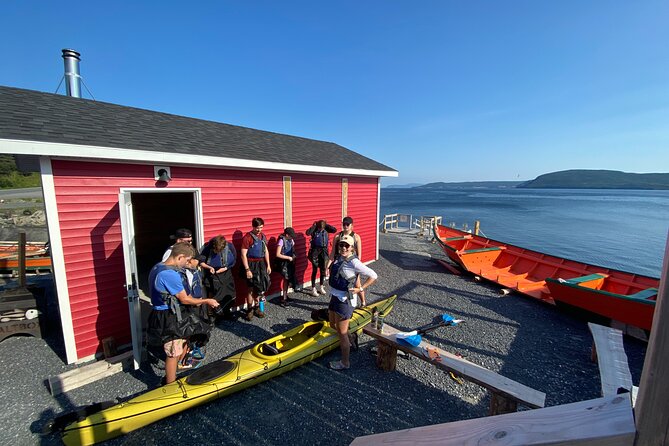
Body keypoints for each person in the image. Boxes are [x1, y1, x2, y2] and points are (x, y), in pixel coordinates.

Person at [147, 242, 219, 384]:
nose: (187, 264)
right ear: (179, 257)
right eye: (186, 260)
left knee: (176, 346)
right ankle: (170, 384)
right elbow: (184, 299)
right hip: (169, 316)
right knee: (173, 351)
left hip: (159, 312)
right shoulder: (169, 274)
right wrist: (207, 301)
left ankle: (172, 375)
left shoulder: (157, 267)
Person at [327, 235, 377, 370]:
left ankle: (345, 362)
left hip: (345, 301)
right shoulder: (339, 258)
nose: (343, 248)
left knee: (341, 333)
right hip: (335, 296)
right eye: (341, 245)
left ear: (352, 248)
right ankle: (352, 338)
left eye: (346, 246)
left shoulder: (354, 262)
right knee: (332, 324)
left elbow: (373, 275)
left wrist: (360, 288)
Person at [240, 217, 271, 321]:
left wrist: (268, 265)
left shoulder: (263, 236)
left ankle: (257, 308)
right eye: (257, 228)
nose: (259, 230)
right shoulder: (247, 238)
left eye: (261, 227)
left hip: (261, 264)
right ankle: (250, 309)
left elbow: (266, 251)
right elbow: (243, 255)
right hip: (251, 264)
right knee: (250, 288)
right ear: (253, 226)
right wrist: (247, 269)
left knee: (259, 288)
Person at [199, 235, 237, 319]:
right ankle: (213, 315)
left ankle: (226, 311)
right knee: (214, 293)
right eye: (216, 250)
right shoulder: (208, 248)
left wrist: (225, 268)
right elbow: (201, 261)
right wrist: (209, 267)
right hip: (212, 273)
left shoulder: (230, 246)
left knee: (228, 292)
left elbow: (234, 260)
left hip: (226, 272)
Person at [330, 216, 365, 305]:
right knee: (340, 284)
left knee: (357, 284)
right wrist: (328, 265)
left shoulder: (356, 237)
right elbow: (333, 252)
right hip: (340, 263)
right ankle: (344, 303)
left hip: (352, 263)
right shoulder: (338, 236)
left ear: (351, 225)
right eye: (344, 224)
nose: (345, 226)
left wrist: (357, 267)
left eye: (347, 224)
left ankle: (363, 302)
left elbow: (359, 254)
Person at [306, 219, 336, 297]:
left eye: (322, 228)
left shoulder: (325, 229)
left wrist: (326, 225)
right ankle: (313, 288)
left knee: (323, 269)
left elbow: (334, 230)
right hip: (315, 251)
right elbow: (307, 233)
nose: (321, 230)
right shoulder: (314, 230)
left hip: (324, 251)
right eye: (320, 228)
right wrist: (314, 226)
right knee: (314, 269)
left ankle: (321, 286)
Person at [275, 227, 297, 307]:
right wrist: (288, 258)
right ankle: (284, 298)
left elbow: (293, 249)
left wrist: (294, 255)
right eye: (291, 236)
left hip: (290, 262)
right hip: (284, 263)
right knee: (286, 279)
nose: (292, 237)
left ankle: (285, 295)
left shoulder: (291, 240)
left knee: (288, 280)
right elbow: (277, 254)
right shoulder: (281, 241)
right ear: (287, 235)